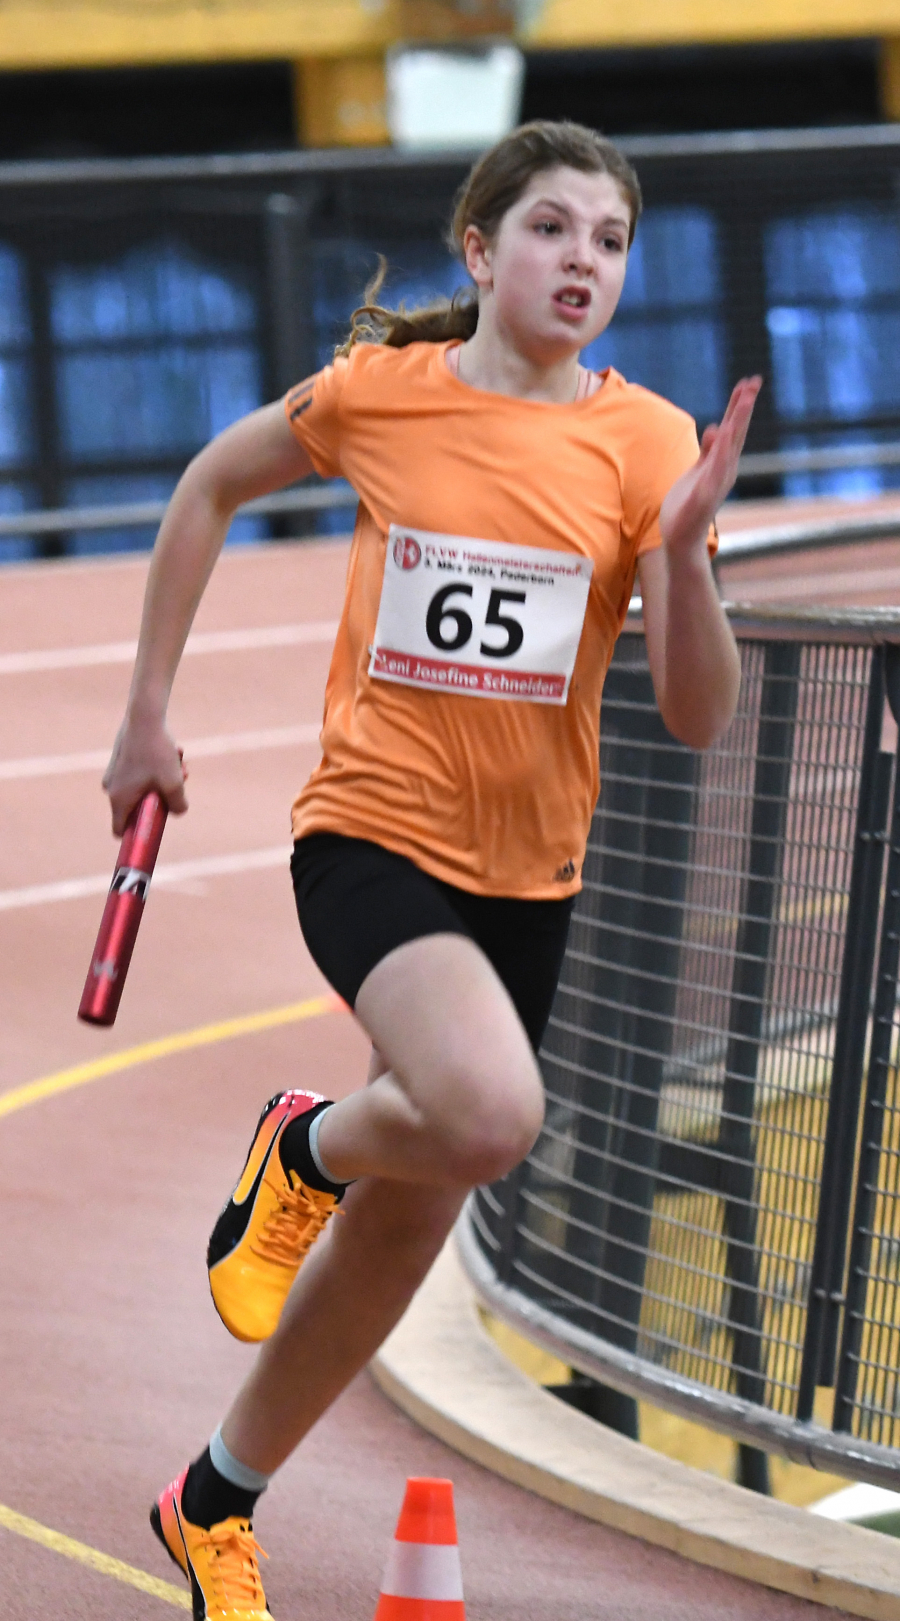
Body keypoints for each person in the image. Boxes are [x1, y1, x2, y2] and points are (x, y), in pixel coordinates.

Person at [104, 119, 755, 1620]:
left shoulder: (650, 443)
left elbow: (696, 712)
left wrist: (691, 556)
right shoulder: (383, 396)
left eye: (609, 239)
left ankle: (212, 1500)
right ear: (479, 250)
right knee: (491, 1110)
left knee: (425, 1200)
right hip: (370, 835)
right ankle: (310, 1145)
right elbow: (208, 485)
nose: (582, 258)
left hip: (531, 879)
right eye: (551, 229)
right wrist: (146, 711)